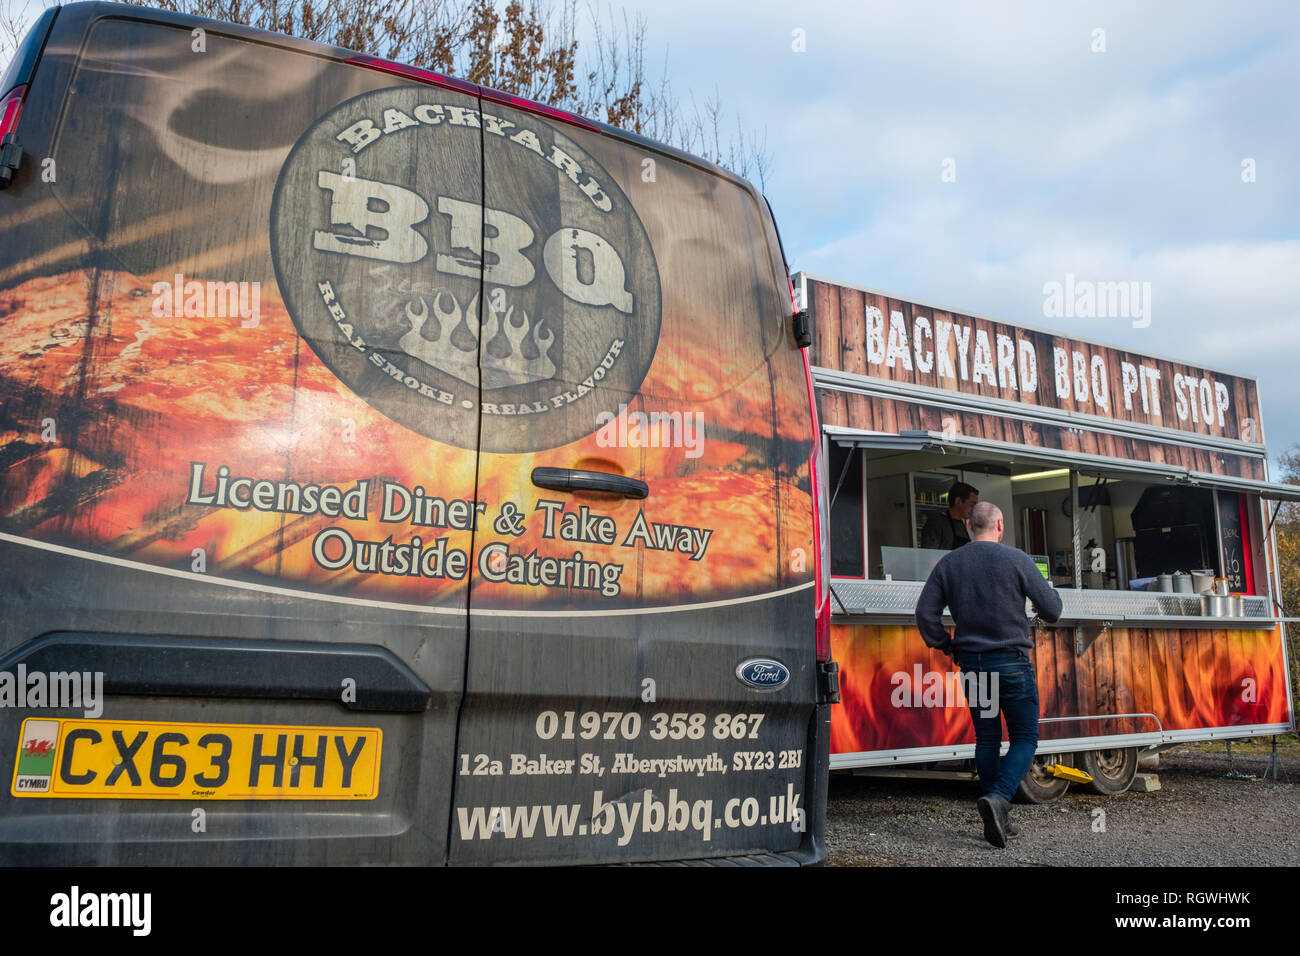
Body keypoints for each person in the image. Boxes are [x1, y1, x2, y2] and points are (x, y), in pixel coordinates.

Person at [914, 500, 1062, 848]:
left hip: (974, 666)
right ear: (1000, 526)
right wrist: (1042, 597)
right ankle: (1000, 799)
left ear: (968, 527)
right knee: (1025, 737)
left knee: (987, 739)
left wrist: (946, 645)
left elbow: (924, 613)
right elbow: (1053, 610)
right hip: (1011, 662)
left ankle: (998, 819)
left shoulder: (949, 564)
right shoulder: (1016, 559)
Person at [919, 481, 979, 550]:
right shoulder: (936, 523)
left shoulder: (960, 524)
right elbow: (929, 555)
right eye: (972, 505)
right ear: (958, 501)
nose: (974, 509)